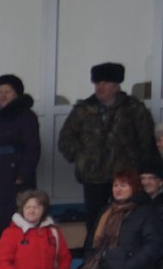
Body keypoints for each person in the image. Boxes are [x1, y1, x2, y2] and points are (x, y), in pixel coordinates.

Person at [56, 62, 156, 225]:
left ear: (116, 85)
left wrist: (138, 168)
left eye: (105, 83)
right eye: (97, 83)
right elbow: (65, 140)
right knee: (95, 221)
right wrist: (83, 159)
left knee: (127, 219)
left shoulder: (133, 109)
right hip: (93, 177)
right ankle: (93, 250)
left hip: (124, 176)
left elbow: (146, 142)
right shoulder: (83, 110)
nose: (100, 87)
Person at [0, 76, 44, 226]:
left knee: (14, 215)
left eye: (8, 91)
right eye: (0, 92)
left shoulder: (26, 116)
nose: (3, 95)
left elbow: (33, 148)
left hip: (14, 173)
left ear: (16, 94)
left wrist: (22, 175)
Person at [0, 190, 72, 269]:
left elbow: (65, 259)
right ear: (22, 209)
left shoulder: (53, 232)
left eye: (36, 207)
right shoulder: (11, 233)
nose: (32, 211)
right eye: (28, 207)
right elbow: (2, 264)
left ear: (43, 209)